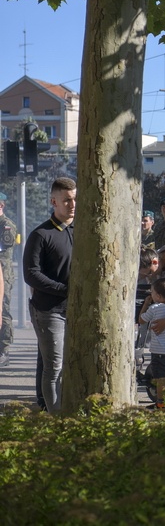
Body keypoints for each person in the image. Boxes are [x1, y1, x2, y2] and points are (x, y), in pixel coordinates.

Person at [23, 177, 76, 413]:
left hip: (77, 309)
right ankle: (56, 419)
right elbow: (31, 274)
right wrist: (64, 290)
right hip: (49, 311)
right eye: (66, 200)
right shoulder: (41, 235)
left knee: (67, 366)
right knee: (53, 368)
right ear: (54, 201)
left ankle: (67, 410)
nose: (72, 204)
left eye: (75, 199)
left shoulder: (82, 230)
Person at [139, 277, 165, 407]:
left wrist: (145, 304)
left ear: (159, 296)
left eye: (152, 292)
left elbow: (142, 320)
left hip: (158, 350)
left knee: (159, 379)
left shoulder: (154, 308)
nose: (151, 294)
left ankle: (161, 403)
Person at [0, 192, 18, 367]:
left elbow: (4, 246)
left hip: (3, 276)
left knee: (3, 311)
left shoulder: (7, 226)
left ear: (1, 206)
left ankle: (4, 350)